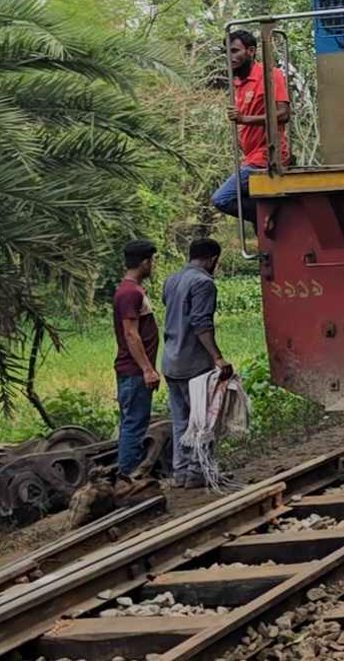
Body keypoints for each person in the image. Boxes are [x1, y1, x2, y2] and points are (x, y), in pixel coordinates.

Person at [161, 237, 232, 489]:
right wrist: (217, 357)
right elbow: (201, 323)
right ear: (213, 259)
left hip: (170, 360)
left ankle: (180, 473)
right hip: (194, 364)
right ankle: (198, 472)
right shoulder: (204, 283)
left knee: (181, 420)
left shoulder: (171, 280)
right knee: (203, 420)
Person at [212, 29, 290, 223]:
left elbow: (284, 114)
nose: (230, 57)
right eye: (226, 52)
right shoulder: (238, 84)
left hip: (267, 157)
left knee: (221, 198)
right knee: (250, 202)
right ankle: (264, 221)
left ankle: (277, 214)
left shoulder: (271, 75)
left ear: (251, 51)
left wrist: (245, 119)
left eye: (235, 51)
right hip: (250, 157)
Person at [112, 239, 161, 477]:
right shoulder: (130, 293)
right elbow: (131, 334)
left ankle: (129, 474)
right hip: (133, 371)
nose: (153, 266)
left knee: (133, 423)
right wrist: (147, 369)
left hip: (133, 370)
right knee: (134, 425)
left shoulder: (132, 290)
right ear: (144, 262)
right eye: (151, 261)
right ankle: (128, 478)